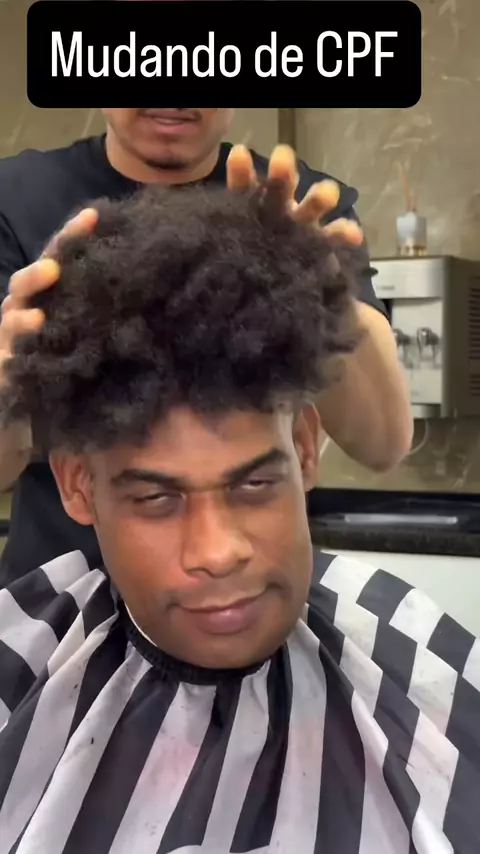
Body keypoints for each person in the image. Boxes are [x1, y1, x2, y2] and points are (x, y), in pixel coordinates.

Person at [0, 183, 476, 854]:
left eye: (254, 484)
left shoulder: (424, 660)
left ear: (304, 448)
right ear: (78, 484)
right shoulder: (19, 670)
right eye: (156, 499)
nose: (218, 552)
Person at [0, 108, 412, 584]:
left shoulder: (297, 209)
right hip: (61, 597)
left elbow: (383, 443)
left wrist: (323, 290)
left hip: (244, 586)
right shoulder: (15, 199)